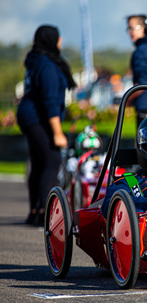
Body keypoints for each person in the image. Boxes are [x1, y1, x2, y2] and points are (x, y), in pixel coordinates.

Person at [16, 25, 77, 226]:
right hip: (37, 117)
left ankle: (35, 210)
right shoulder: (47, 66)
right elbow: (50, 101)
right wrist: (58, 132)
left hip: (29, 116)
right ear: (52, 40)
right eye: (58, 39)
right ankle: (46, 212)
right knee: (52, 162)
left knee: (39, 163)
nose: (60, 42)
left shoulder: (36, 60)